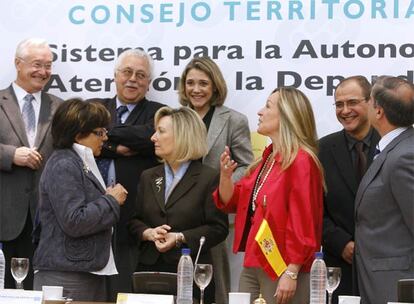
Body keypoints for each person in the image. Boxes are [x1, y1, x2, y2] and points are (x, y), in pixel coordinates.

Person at [213, 87, 325, 304]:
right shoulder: (265, 160)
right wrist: (226, 178)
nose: (259, 112)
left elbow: (304, 221)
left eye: (268, 106)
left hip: (283, 267)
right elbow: (234, 202)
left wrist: (292, 271)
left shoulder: (301, 160)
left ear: (286, 115)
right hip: (254, 262)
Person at [128, 106, 229, 304]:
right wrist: (148, 233)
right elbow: (134, 222)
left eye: (161, 131)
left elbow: (219, 228)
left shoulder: (208, 177)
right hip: (149, 274)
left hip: (192, 278)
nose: (153, 138)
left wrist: (180, 237)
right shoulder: (148, 176)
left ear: (183, 136)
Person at [33, 99, 128, 301]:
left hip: (81, 271)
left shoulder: (76, 160)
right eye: (99, 132)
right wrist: (111, 200)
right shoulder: (64, 164)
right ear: (78, 134)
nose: (105, 137)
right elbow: (74, 221)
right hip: (67, 276)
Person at [89, 49, 165, 300]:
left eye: (140, 75)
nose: (133, 79)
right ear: (115, 76)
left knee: (123, 289)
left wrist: (104, 138)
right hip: (89, 213)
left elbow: (146, 137)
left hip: (132, 217)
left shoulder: (159, 113)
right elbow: (78, 138)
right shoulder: (94, 107)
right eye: (127, 72)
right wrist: (118, 147)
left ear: (148, 83)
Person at [178, 56, 254, 304]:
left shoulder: (234, 119)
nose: (196, 90)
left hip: (215, 211)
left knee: (215, 281)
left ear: (215, 87)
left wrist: (223, 183)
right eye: (190, 83)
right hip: (179, 211)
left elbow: (247, 165)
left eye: (203, 83)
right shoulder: (176, 117)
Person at [0, 38, 62, 289]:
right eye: (37, 64)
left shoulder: (59, 107)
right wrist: (10, 155)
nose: (43, 72)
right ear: (17, 63)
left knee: (38, 291)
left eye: (48, 66)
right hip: (4, 215)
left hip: (44, 219)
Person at [319, 76, 380, 303]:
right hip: (338, 268)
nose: (345, 110)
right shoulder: (322, 149)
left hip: (383, 265)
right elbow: (314, 209)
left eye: (352, 102)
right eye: (339, 104)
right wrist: (341, 242)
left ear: (371, 102)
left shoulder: (393, 145)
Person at [354, 76, 414, 304]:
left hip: (396, 285)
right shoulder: (395, 150)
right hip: (380, 280)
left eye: (368, 100)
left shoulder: (404, 156)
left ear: (378, 111)